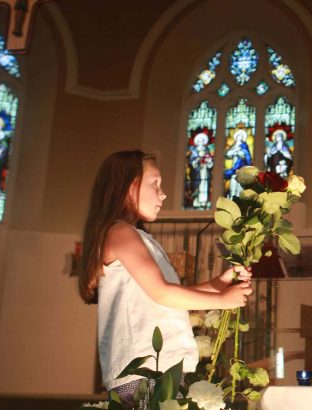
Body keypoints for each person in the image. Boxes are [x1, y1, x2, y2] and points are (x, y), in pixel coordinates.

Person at [78, 150, 253, 406]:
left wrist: (219, 284)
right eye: (155, 183)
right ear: (127, 185)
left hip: (163, 367)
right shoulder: (119, 232)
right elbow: (161, 292)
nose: (163, 193)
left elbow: (167, 296)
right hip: (141, 370)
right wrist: (225, 300)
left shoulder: (139, 236)